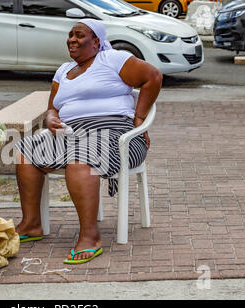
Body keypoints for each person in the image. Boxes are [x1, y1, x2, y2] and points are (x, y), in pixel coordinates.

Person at [14, 19, 162, 264]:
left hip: (116, 135)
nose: (72, 39)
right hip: (72, 135)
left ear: (96, 42)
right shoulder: (63, 70)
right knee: (23, 152)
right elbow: (53, 108)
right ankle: (31, 224)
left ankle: (90, 236)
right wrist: (51, 118)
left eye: (79, 35)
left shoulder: (112, 59)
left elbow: (153, 77)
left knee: (80, 158)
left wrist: (139, 118)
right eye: (70, 35)